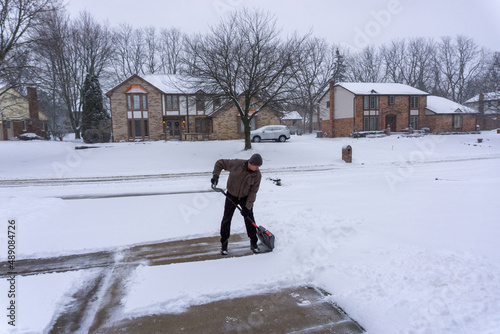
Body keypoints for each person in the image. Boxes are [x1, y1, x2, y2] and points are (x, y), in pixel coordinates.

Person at [211, 154, 263, 255]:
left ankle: (253, 242)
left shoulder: (257, 175)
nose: (258, 169)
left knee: (249, 219)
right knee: (227, 218)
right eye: (256, 166)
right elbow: (220, 163)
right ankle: (224, 243)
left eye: (259, 167)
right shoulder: (236, 164)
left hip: (245, 198)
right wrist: (215, 175)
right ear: (250, 163)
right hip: (231, 195)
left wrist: (247, 207)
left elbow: (253, 192)